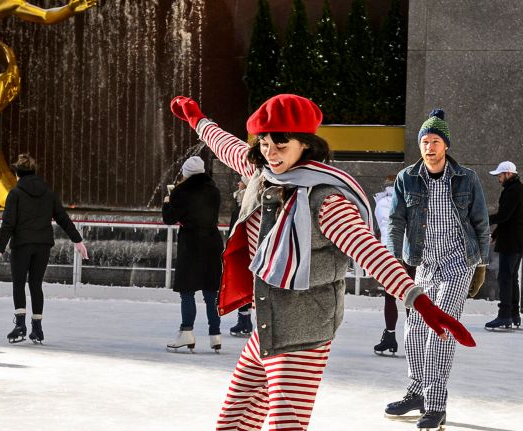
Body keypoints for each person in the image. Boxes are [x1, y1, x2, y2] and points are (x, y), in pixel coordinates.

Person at [170, 94, 475, 431]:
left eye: (281, 145)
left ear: (305, 145)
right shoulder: (265, 175)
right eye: (266, 143)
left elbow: (369, 251)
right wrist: (197, 119)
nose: (271, 153)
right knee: (233, 421)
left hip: (304, 331)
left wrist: (419, 301)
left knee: (284, 426)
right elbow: (227, 147)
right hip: (269, 324)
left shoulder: (325, 200)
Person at [385, 109, 489, 429]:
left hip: (458, 264)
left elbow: (481, 223)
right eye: (424, 142)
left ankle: (436, 404)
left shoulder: (467, 178)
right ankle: (417, 391)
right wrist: (392, 261)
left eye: (435, 141)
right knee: (414, 330)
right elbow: (395, 221)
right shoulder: (407, 178)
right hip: (424, 266)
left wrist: (481, 263)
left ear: (446, 145)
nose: (429, 147)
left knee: (439, 331)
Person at [0, 154, 88, 344]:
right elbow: (63, 218)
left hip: (22, 245)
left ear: (17, 174)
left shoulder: (15, 194)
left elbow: (8, 224)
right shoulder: (48, 194)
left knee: (19, 284)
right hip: (43, 246)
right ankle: (37, 328)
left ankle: (20, 326)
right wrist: (78, 241)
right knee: (36, 285)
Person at [163, 156, 224, 352]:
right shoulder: (214, 191)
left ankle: (186, 332)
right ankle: (215, 335)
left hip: (191, 243)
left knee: (187, 291)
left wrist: (167, 201)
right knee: (211, 293)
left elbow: (169, 219)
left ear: (186, 172)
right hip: (212, 241)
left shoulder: (182, 191)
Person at [372, 175, 413, 355]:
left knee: (391, 297)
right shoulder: (410, 199)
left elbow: (385, 227)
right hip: (410, 252)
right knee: (410, 296)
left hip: (391, 253)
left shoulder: (383, 203)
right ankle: (415, 339)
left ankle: (390, 337)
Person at [485, 161, 523, 329]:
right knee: (512, 278)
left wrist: (484, 220)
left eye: (500, 176)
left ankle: (504, 316)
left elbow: (504, 215)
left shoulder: (513, 191)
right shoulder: (517, 189)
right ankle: (514, 314)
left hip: (511, 242)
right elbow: (510, 218)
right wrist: (495, 233)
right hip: (516, 241)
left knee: (505, 278)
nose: (498, 179)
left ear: (508, 174)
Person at [228, 175, 254, 337]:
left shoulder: (246, 203)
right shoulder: (241, 201)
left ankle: (245, 322)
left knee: (244, 284)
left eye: (241, 181)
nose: (238, 183)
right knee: (244, 285)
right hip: (243, 248)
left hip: (244, 249)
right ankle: (244, 320)